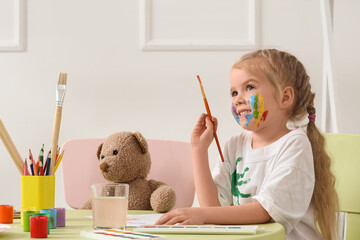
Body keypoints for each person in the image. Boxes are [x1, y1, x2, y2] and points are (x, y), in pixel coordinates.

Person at [156, 49, 339, 240]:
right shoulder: (234, 146)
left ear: (285, 97)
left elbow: (264, 212)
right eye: (234, 92)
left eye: (249, 87)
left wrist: (201, 215)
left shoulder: (294, 144)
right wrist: (199, 150)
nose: (238, 99)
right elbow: (212, 208)